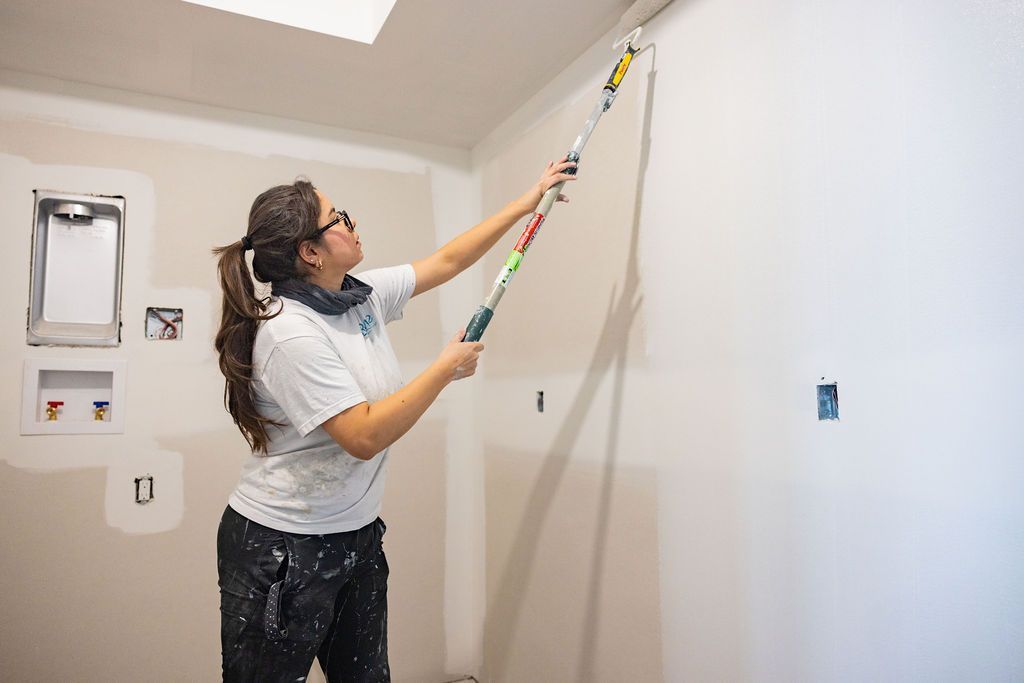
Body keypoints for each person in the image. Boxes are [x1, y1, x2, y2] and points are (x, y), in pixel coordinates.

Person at [212, 158, 576, 682]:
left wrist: (530, 199)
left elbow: (447, 260)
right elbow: (362, 435)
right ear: (310, 252)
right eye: (338, 219)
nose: (351, 223)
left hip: (356, 533)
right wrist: (445, 369)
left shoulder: (355, 297)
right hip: (282, 548)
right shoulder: (290, 332)